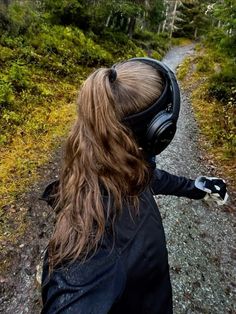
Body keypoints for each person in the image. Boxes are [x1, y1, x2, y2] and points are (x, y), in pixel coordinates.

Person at [40, 58, 228, 314]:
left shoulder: (107, 163)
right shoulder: (95, 250)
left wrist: (196, 188)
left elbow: (148, 178)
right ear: (157, 133)